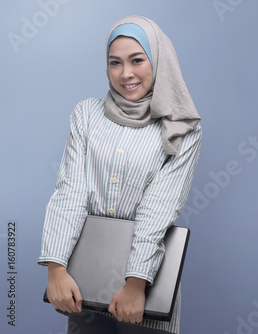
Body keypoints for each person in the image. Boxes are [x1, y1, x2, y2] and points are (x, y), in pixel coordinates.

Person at [37, 15, 202, 334]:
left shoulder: (183, 128)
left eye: (137, 60)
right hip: (84, 285)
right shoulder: (86, 114)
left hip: (144, 290)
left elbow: (159, 208)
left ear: (158, 60)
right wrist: (56, 268)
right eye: (115, 62)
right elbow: (70, 191)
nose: (126, 73)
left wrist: (135, 283)